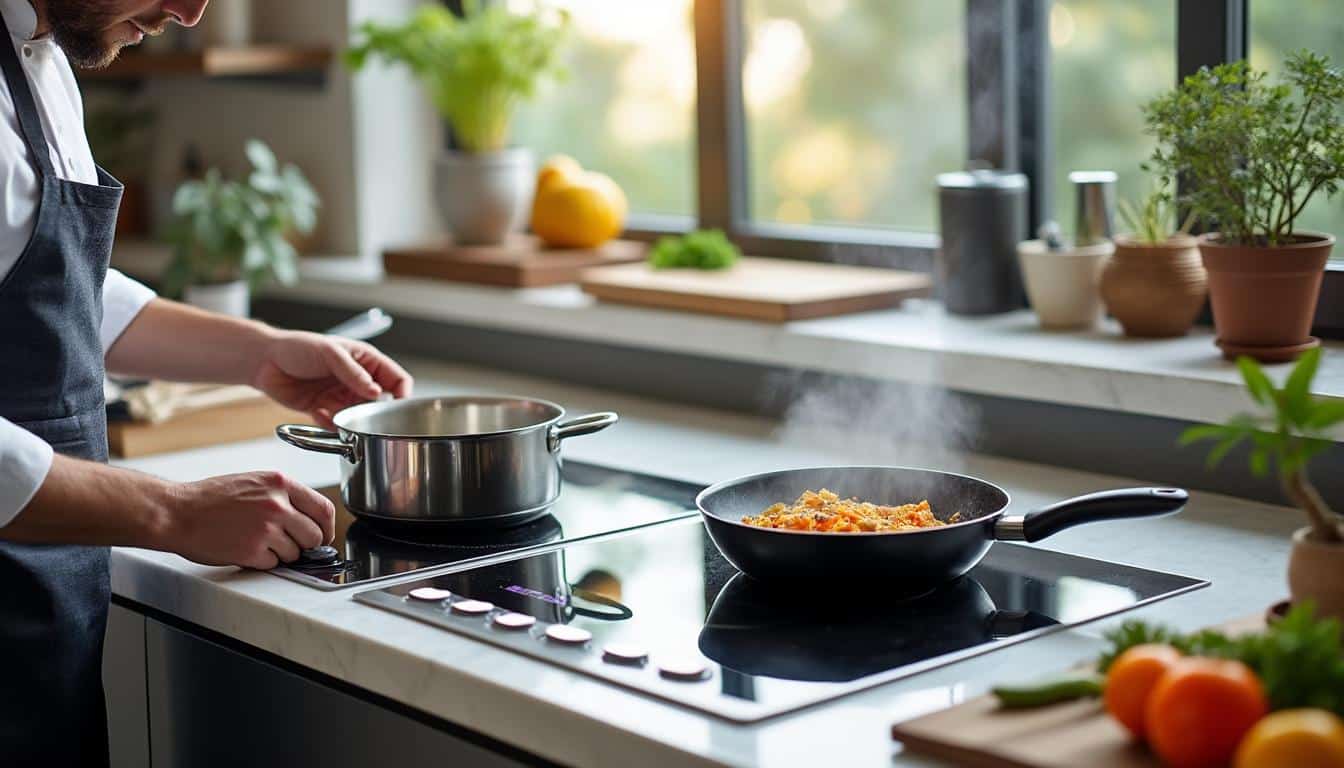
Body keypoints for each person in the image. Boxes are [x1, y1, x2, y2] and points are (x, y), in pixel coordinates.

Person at [0, 1, 413, 764]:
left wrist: (260, 354)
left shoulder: (45, 61)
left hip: (39, 612)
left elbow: (58, 293)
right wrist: (172, 511)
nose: (192, 11)